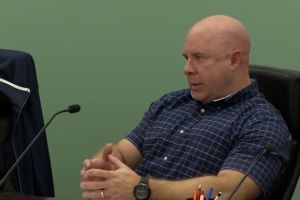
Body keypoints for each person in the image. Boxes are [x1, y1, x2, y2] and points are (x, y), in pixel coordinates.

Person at [80, 15, 291, 200]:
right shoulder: (170, 103)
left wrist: (143, 190)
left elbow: (224, 194)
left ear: (234, 60)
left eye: (199, 58)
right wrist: (105, 166)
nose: (187, 69)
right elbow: (124, 153)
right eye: (186, 58)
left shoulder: (263, 123)